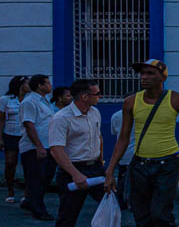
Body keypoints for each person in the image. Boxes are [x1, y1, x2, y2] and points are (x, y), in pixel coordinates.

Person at [104, 59, 179, 227]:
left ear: (163, 77)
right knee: (141, 215)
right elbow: (123, 138)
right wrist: (110, 171)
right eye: (142, 73)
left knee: (160, 214)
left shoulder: (177, 100)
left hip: (168, 164)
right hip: (140, 165)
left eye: (150, 73)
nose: (144, 77)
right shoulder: (131, 101)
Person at [48, 79, 105, 227]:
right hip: (73, 170)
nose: (100, 96)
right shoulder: (61, 118)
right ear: (85, 97)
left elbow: (98, 137)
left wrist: (101, 160)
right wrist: (75, 174)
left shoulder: (95, 112)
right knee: (68, 214)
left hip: (96, 168)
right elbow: (56, 150)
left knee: (110, 204)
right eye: (97, 93)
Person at [19, 74, 56, 220]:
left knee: (45, 178)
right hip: (35, 147)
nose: (50, 86)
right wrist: (39, 146)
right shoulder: (30, 102)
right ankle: (38, 209)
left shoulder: (45, 101)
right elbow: (29, 124)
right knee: (36, 180)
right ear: (40, 85)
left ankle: (30, 202)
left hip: (48, 145)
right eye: (47, 83)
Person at [0, 75, 29, 204]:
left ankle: (27, 193)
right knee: (10, 162)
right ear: (20, 85)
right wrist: (0, 138)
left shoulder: (30, 99)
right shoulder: (6, 100)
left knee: (28, 164)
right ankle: (10, 191)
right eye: (27, 83)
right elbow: (1, 119)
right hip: (10, 134)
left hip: (26, 135)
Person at [109, 107, 135, 210]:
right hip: (137, 153)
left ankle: (121, 203)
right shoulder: (141, 114)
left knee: (122, 179)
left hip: (123, 153)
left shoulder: (116, 115)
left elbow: (114, 132)